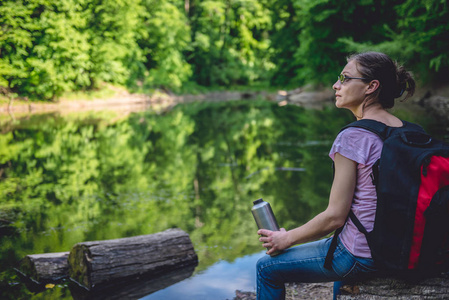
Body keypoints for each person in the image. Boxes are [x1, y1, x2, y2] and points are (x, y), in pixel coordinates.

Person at [256, 51, 416, 300]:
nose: (336, 84)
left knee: (266, 268)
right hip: (403, 247)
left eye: (345, 78)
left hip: (363, 254)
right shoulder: (407, 131)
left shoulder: (353, 137)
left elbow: (334, 218)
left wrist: (285, 238)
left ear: (371, 87)